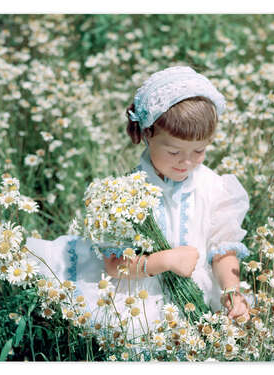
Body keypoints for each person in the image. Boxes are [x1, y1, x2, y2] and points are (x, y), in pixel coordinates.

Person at [26, 66, 252, 338]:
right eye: (174, 151)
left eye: (199, 151)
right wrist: (165, 260)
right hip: (140, 293)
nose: (187, 161)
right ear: (147, 134)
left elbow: (222, 250)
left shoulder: (213, 187)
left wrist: (230, 289)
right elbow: (114, 265)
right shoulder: (124, 194)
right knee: (136, 333)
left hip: (199, 292)